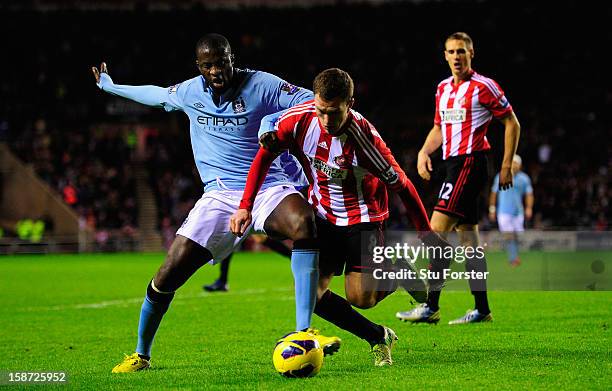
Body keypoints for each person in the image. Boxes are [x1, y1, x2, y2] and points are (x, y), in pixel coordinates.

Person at [92, 33, 339, 373]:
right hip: (220, 195)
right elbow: (156, 95)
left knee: (303, 223)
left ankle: (304, 330)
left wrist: (271, 120)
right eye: (208, 65)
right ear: (199, 67)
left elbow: (309, 101)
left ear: (230, 58)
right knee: (168, 273)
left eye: (221, 62)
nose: (216, 71)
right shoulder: (191, 91)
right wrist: (110, 86)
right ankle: (141, 354)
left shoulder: (262, 84)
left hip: (270, 186)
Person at [231, 68, 448, 366]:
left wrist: (425, 232)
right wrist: (245, 205)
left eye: (334, 113)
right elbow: (264, 156)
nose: (326, 120)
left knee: (362, 299)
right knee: (313, 294)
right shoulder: (299, 121)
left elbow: (404, 186)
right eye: (321, 110)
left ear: (351, 104)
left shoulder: (367, 142)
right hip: (322, 215)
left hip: (363, 220)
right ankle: (377, 336)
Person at [396, 32, 521, 325]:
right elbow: (439, 127)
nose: (456, 56)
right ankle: (482, 309)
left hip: (470, 163)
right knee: (469, 242)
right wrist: (423, 153)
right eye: (451, 51)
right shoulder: (442, 89)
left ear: (471, 53)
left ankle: (430, 306)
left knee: (436, 231)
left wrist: (506, 165)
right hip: (452, 164)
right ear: (445, 55)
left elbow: (511, 122)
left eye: (462, 51)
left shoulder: (483, 87)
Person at [489, 154, 533, 267]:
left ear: (520, 165)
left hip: (518, 212)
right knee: (509, 236)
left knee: (517, 236)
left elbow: (529, 194)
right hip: (503, 212)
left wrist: (529, 208)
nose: (514, 165)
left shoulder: (524, 179)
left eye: (516, 163)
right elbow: (494, 193)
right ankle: (513, 258)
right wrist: (492, 209)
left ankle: (515, 255)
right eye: (512, 162)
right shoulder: (501, 176)